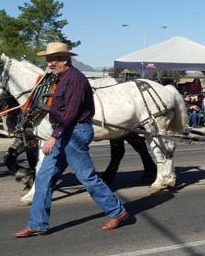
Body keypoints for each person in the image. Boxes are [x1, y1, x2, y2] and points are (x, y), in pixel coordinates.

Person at [14, 42, 129, 238]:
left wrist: (53, 136)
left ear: (64, 59)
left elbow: (71, 113)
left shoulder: (75, 79)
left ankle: (117, 211)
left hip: (73, 133)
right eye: (48, 60)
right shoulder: (60, 78)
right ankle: (37, 224)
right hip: (64, 132)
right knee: (44, 177)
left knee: (87, 177)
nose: (49, 64)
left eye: (52, 60)